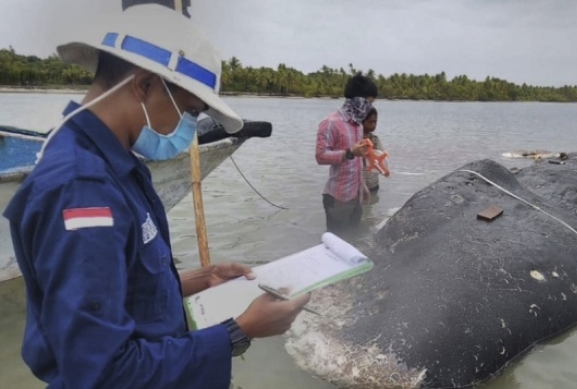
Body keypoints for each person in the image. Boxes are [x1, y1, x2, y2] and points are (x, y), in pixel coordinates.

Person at [2, 5, 309, 389]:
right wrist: (239, 330)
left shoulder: (117, 165)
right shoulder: (82, 191)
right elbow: (101, 373)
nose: (189, 130)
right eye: (190, 112)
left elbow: (119, 291)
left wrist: (202, 277)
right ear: (145, 85)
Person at [315, 73, 378, 235]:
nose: (370, 108)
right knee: (336, 246)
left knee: (353, 241)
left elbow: (356, 163)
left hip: (355, 196)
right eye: (369, 103)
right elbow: (320, 156)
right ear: (358, 101)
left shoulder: (357, 125)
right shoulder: (331, 123)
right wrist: (350, 153)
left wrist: (363, 186)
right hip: (338, 199)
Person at [362, 107, 384, 193]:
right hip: (358, 185)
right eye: (370, 122)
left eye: (375, 122)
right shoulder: (356, 140)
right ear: (362, 122)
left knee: (371, 205)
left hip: (373, 184)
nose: (373, 125)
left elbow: (382, 157)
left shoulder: (375, 139)